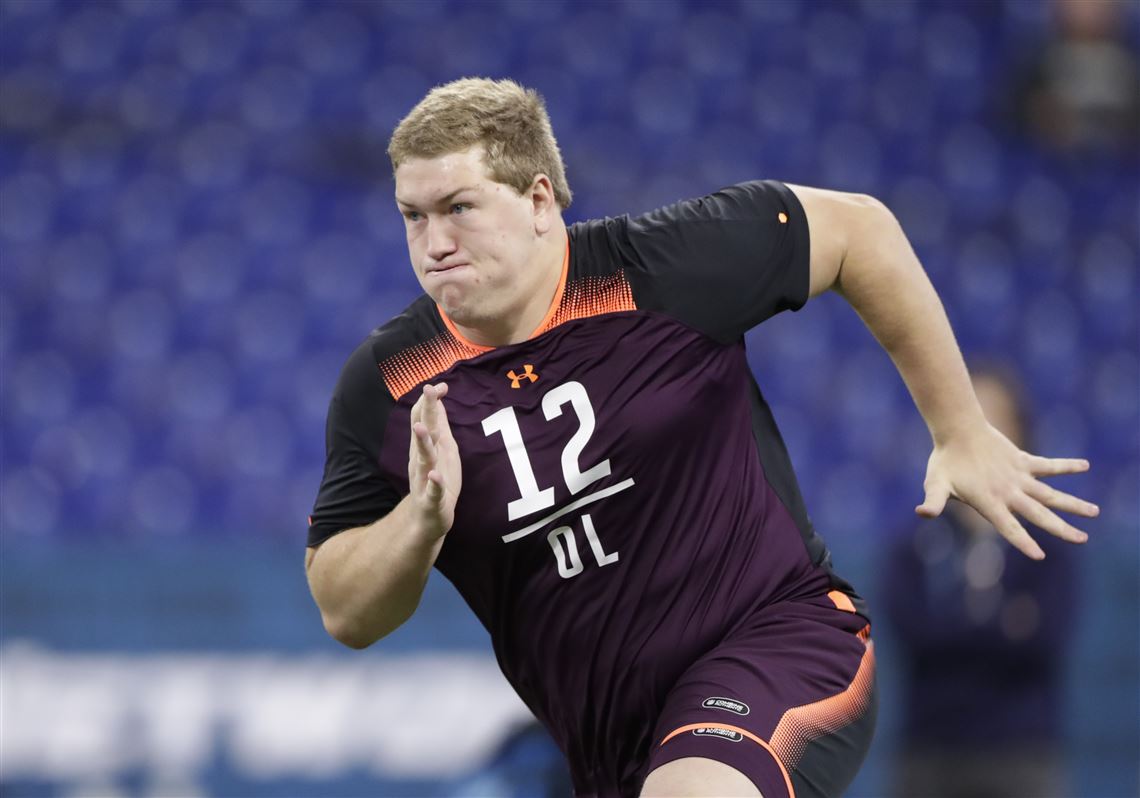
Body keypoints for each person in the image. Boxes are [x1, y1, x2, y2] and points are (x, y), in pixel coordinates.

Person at [303, 78, 1098, 798]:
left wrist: (958, 431)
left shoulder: (659, 269)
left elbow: (861, 232)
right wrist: (421, 521)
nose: (433, 242)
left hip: (780, 645)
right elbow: (346, 610)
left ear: (540, 200)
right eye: (413, 216)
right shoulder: (390, 384)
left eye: (459, 208)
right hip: (610, 744)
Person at [882, 365, 1079, 798]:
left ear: (1020, 433)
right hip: (930, 754)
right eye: (970, 417)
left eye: (995, 419)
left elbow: (1044, 638)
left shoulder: (1049, 542)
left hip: (1020, 756)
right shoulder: (916, 538)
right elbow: (910, 630)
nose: (981, 434)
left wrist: (953, 624)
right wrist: (1002, 623)